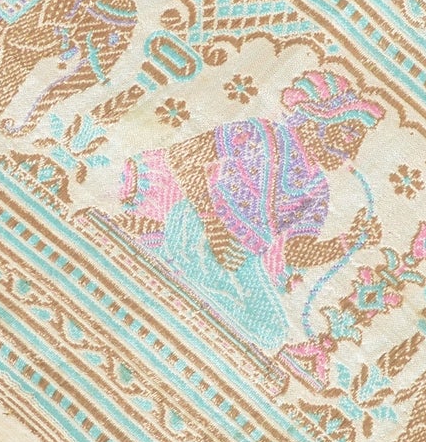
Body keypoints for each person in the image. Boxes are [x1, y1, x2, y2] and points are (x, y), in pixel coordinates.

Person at [115, 70, 384, 351]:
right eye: (350, 133)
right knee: (207, 282)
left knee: (272, 333)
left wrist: (347, 242)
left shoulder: (317, 189)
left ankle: (186, 288)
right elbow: (184, 158)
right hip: (197, 224)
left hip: (242, 261)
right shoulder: (260, 133)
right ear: (319, 120)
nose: (353, 150)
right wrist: (213, 225)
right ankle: (166, 257)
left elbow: (296, 252)